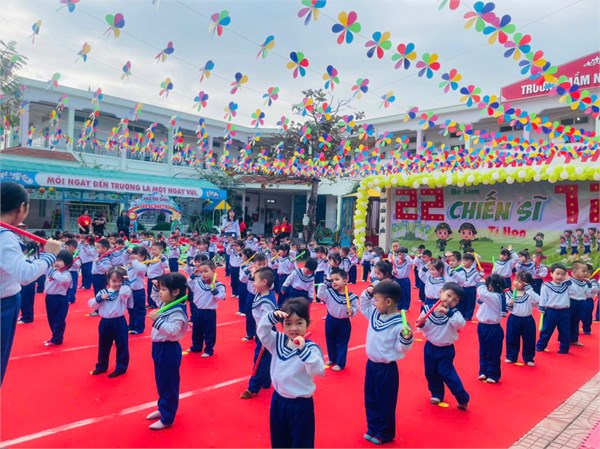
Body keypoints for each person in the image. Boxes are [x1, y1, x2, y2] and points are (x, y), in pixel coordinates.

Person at [0, 182, 61, 385]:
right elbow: (25, 275)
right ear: (22, 207)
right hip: (4, 304)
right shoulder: (5, 237)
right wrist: (50, 255)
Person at [257, 298, 325, 448]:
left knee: (301, 443)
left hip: (300, 405)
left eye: (299, 323)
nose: (294, 328)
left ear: (307, 324)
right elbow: (262, 331)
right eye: (288, 324)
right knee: (279, 440)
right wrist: (272, 316)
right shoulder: (277, 341)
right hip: (279, 400)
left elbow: (318, 370)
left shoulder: (311, 348)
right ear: (282, 325)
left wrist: (303, 351)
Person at [359, 280, 414, 445]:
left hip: (387, 369)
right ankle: (373, 427)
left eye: (376, 300)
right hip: (371, 365)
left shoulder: (400, 324)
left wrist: (406, 338)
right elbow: (364, 305)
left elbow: (401, 348)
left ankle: (385, 433)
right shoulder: (374, 313)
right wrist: (368, 293)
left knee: (385, 402)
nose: (374, 303)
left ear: (388, 301)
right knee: (370, 399)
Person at [417, 282, 470, 410]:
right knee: (430, 372)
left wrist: (448, 313)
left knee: (446, 373)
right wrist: (422, 323)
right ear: (441, 292)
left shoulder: (455, 313)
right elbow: (421, 327)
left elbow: (460, 324)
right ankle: (437, 394)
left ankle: (462, 398)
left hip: (446, 350)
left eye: (455, 300)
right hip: (430, 347)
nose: (450, 300)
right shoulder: (427, 309)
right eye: (448, 295)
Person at [147, 273, 189, 430]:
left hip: (168, 349)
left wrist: (157, 320)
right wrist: (155, 287)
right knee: (161, 381)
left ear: (176, 292)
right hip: (158, 347)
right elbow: (154, 296)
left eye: (163, 289)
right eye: (161, 288)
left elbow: (172, 331)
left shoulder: (178, 311)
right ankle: (162, 407)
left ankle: (168, 417)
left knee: (169, 383)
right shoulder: (166, 303)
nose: (160, 292)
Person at [240, 267, 277, 399]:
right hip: (260, 331)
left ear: (264, 282)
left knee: (259, 360)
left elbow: (269, 322)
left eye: (255, 280)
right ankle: (266, 381)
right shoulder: (261, 293)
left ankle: (253, 387)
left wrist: (263, 337)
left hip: (266, 333)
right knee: (266, 359)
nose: (253, 283)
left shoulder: (267, 301)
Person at [88, 266, 131, 378]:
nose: (117, 284)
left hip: (119, 321)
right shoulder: (102, 292)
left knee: (122, 345)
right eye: (114, 281)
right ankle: (101, 366)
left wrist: (126, 282)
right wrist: (100, 298)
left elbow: (126, 292)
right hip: (105, 322)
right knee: (103, 345)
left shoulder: (122, 292)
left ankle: (121, 367)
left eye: (120, 281)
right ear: (108, 281)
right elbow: (92, 304)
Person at [317, 268, 358, 371]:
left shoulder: (351, 297)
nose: (334, 282)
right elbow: (320, 295)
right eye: (332, 280)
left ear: (345, 281)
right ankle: (332, 358)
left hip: (343, 322)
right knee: (330, 340)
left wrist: (352, 311)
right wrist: (324, 284)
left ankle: (340, 363)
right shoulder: (329, 292)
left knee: (341, 343)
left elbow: (356, 309)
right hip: (330, 320)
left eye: (337, 279)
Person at [187, 260, 226, 357]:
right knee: (196, 330)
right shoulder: (198, 281)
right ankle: (196, 346)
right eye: (201, 272)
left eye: (206, 271)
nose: (203, 274)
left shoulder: (219, 285)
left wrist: (214, 290)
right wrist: (193, 275)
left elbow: (221, 297)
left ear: (213, 271)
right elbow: (189, 283)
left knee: (209, 332)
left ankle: (209, 349)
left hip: (209, 312)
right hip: (197, 310)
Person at [476, 274, 506, 383]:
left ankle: (493, 374)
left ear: (491, 286)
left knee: (493, 352)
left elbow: (482, 292)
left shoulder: (496, 296)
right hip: (482, 325)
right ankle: (483, 371)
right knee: (483, 350)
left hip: (493, 328)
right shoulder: (489, 296)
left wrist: (481, 282)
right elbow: (479, 300)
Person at [505, 271, 540, 366]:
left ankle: (529, 358)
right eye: (515, 280)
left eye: (520, 282)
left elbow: (539, 300)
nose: (516, 283)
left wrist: (529, 290)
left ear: (526, 284)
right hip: (514, 319)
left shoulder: (529, 294)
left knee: (529, 339)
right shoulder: (508, 294)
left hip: (527, 320)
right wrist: (510, 304)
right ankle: (511, 356)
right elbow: (507, 308)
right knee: (512, 338)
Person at [536, 263, 572, 354]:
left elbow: (574, 292)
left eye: (563, 274)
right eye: (557, 274)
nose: (560, 276)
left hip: (564, 312)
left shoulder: (567, 285)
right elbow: (543, 298)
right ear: (551, 274)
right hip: (551, 311)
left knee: (565, 331)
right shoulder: (546, 286)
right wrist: (542, 308)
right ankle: (540, 346)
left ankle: (564, 349)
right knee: (546, 330)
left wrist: (568, 280)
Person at [44, 250, 73, 346]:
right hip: (49, 297)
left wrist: (52, 272)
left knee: (59, 320)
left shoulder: (66, 274)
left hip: (59, 299)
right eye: (56, 260)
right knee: (51, 318)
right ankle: (54, 336)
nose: (57, 262)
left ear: (67, 263)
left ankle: (57, 339)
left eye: (60, 261)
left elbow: (63, 280)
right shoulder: (55, 271)